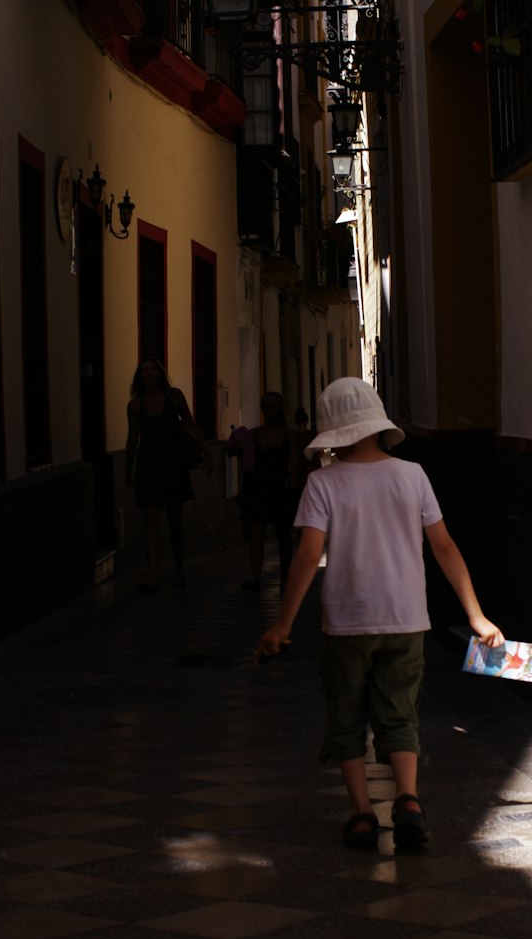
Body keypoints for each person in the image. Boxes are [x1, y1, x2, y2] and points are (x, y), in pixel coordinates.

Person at [259, 377, 503, 851]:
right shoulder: (412, 475)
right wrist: (476, 615)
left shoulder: (321, 484)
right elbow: (444, 547)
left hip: (347, 622)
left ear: (332, 433)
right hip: (407, 619)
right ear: (377, 426)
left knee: (346, 716)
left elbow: (309, 556)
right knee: (401, 714)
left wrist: (283, 623)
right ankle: (408, 800)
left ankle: (362, 813)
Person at [125, 357, 212, 591]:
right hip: (148, 466)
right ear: (139, 377)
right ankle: (154, 574)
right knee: (151, 520)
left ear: (160, 374)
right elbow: (133, 438)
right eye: (144, 371)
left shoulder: (174, 397)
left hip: (173, 464)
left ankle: (179, 568)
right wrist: (128, 468)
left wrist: (205, 451)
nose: (149, 375)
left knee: (174, 520)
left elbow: (192, 424)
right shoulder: (135, 406)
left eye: (153, 370)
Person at [235, 391, 295, 593]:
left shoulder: (287, 434)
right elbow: (240, 453)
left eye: (273, 406)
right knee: (256, 533)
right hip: (258, 487)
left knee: (283, 535)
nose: (269, 410)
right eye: (266, 406)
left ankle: (286, 578)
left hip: (280, 487)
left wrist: (293, 477)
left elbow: (295, 460)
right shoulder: (254, 434)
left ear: (279, 409)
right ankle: (256, 576)